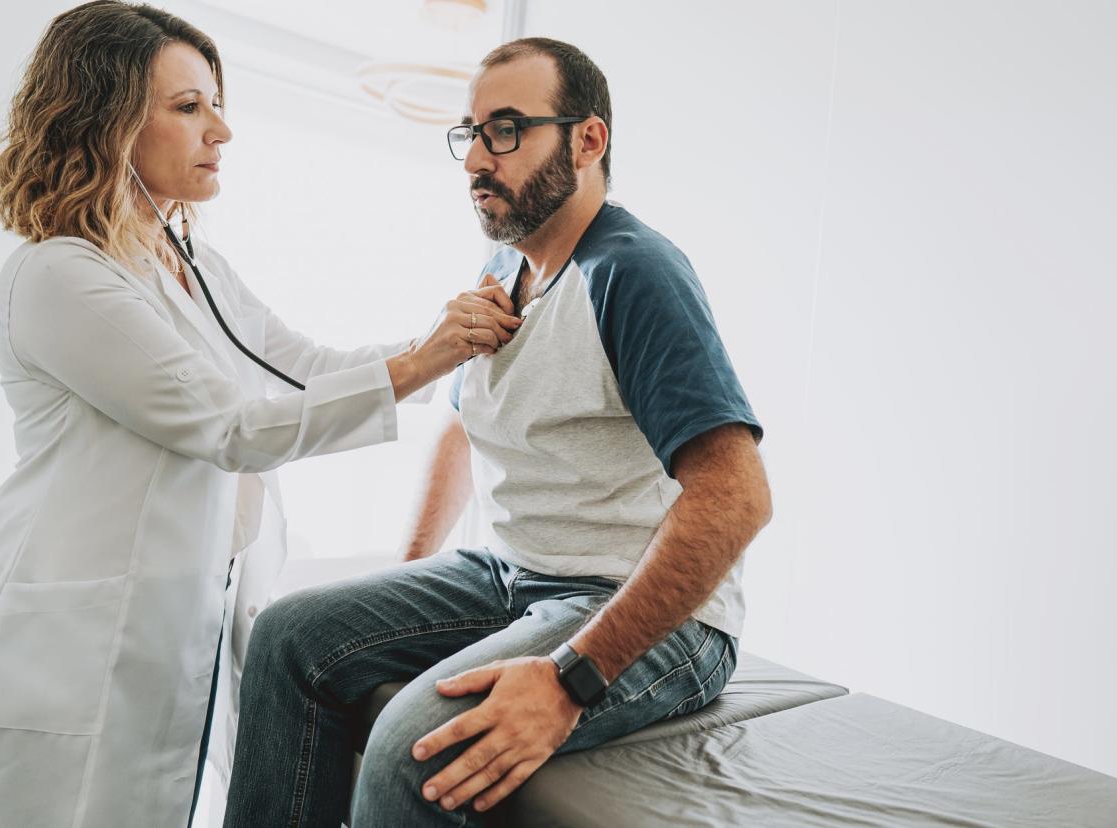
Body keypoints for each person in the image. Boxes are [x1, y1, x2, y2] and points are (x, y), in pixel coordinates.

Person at [0, 3, 520, 826]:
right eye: (190, 106)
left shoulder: (193, 265)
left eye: (216, 103)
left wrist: (439, 338)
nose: (222, 130)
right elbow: (231, 427)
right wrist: (429, 359)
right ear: (109, 120)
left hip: (166, 636)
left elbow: (299, 367)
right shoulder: (60, 276)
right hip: (61, 646)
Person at [223, 37, 773, 826]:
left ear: (588, 139)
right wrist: (403, 580)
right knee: (286, 637)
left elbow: (736, 498)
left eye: (507, 129)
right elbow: (460, 427)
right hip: (509, 576)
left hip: (645, 607)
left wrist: (570, 680)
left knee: (411, 748)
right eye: (472, 133)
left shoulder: (632, 272)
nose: (479, 157)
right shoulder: (499, 270)